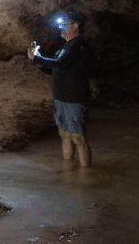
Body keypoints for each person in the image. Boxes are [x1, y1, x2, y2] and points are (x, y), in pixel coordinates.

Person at [28, 12, 92, 168]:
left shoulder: (79, 45)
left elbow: (60, 64)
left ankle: (86, 175)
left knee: (78, 138)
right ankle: (67, 171)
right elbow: (54, 69)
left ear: (76, 25)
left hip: (74, 98)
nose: (61, 28)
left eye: (65, 24)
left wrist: (37, 58)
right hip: (61, 98)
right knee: (64, 135)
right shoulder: (66, 47)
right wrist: (38, 60)